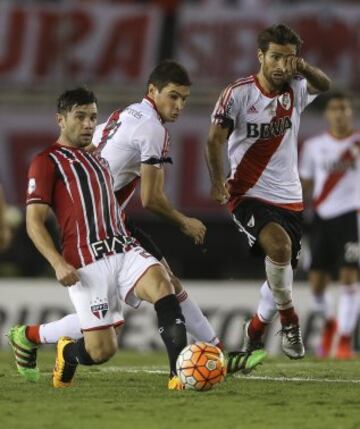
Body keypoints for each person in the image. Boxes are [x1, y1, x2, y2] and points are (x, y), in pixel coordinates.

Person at [9, 63, 265, 386]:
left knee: (163, 285)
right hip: (91, 235)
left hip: (115, 229)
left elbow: (95, 148)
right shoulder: (153, 129)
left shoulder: (125, 114)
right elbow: (151, 198)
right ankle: (38, 339)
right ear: (153, 92)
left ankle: (205, 359)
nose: (179, 106)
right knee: (107, 335)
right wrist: (184, 222)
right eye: (173, 97)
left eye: (184, 99)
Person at [10, 87, 189, 390]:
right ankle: (67, 351)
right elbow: (34, 223)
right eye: (79, 117)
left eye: (92, 117)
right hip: (86, 259)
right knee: (102, 350)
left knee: (164, 286)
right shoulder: (46, 161)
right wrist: (57, 262)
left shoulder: (98, 158)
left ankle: (179, 376)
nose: (88, 124)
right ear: (60, 119)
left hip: (122, 246)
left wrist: (145, 249)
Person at [206, 23, 331, 359]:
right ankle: (290, 321)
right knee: (278, 247)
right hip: (246, 193)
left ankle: (255, 330)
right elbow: (214, 139)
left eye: (289, 59)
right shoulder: (238, 93)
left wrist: (303, 67)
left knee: (281, 271)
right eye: (275, 57)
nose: (281, 65)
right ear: (260, 55)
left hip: (289, 198)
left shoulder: (297, 88)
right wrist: (218, 181)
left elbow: (326, 84)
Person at [300, 92, 360, 359]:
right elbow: (306, 185)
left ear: (351, 112)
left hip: (351, 217)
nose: (339, 113)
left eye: (344, 108)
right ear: (327, 114)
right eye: (334, 109)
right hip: (322, 218)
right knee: (316, 283)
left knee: (349, 276)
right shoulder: (314, 146)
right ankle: (329, 322)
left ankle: (345, 340)